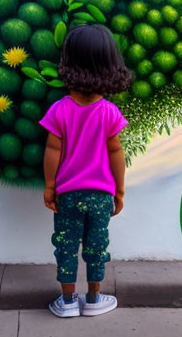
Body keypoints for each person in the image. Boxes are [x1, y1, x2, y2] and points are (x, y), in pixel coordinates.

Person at [40, 23, 133, 317]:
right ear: (109, 66)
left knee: (66, 247)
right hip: (101, 196)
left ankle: (67, 303)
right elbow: (117, 153)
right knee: (96, 246)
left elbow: (52, 151)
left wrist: (50, 186)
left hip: (68, 196)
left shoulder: (60, 110)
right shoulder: (109, 112)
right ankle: (93, 300)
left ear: (69, 65)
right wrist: (118, 190)